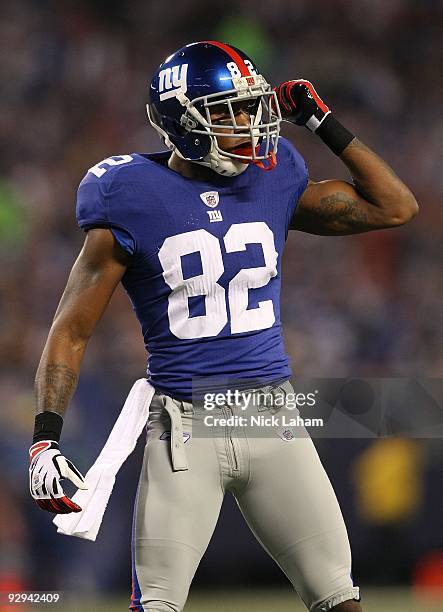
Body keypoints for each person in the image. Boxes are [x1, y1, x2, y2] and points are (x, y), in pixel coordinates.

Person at [29, 41, 418, 611]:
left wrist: (322, 120)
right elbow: (71, 329)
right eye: (226, 110)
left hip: (273, 416)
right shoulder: (128, 195)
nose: (247, 123)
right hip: (183, 426)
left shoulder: (274, 176)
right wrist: (45, 437)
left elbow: (395, 206)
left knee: (341, 600)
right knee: (156, 606)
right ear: (180, 121)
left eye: (248, 107)